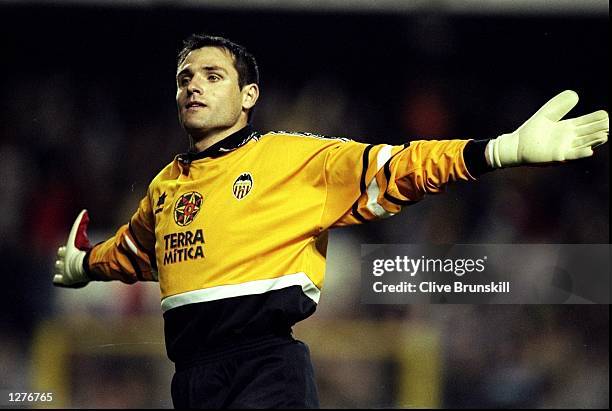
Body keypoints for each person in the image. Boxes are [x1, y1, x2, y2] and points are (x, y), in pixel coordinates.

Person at [52, 33, 609, 408]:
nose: (193, 84)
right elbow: (135, 251)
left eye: (213, 75)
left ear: (249, 95)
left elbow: (397, 167)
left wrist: (499, 151)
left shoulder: (291, 158)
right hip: (191, 380)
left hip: (264, 372)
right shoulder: (166, 187)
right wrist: (83, 265)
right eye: (184, 76)